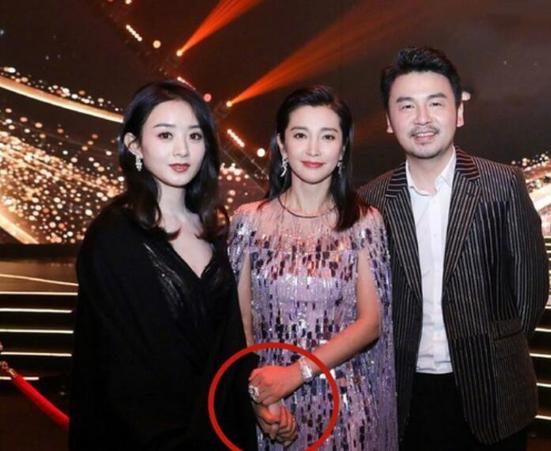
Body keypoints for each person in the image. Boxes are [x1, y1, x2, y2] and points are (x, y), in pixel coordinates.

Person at [69, 80, 295, 450]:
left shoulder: (212, 230)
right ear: (134, 145)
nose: (182, 149)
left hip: (221, 431)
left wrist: (254, 400)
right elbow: (120, 371)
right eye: (165, 134)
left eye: (194, 135)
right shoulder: (113, 237)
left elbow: (229, 341)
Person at [360, 47, 550, 450]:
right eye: (406, 106)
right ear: (389, 121)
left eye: (435, 103)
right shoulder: (371, 201)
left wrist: (493, 350)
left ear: (459, 112)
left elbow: (530, 292)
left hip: (494, 394)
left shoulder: (502, 186)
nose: (422, 118)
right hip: (403, 396)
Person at [228, 85, 398, 450]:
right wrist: (260, 396)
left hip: (345, 406)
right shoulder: (249, 221)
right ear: (282, 143)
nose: (314, 149)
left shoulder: (365, 221)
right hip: (271, 401)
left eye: (328, 136)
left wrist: (296, 373)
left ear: (343, 148)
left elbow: (370, 323)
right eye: (301, 135)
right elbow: (240, 324)